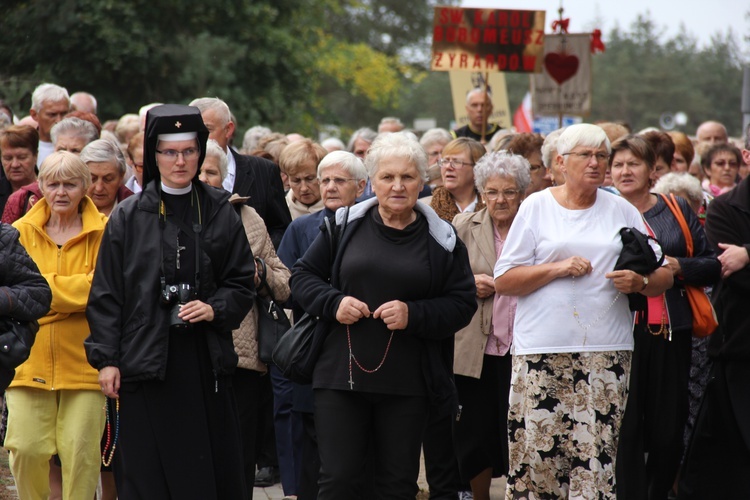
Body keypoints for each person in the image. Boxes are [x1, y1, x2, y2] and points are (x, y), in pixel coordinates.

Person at [290, 131, 476, 498]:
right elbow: (301, 277)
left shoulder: (442, 238)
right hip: (339, 377)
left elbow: (462, 302)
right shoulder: (342, 225)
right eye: (387, 177)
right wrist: (333, 303)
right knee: (339, 480)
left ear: (422, 181)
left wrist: (415, 313)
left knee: (396, 484)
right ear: (370, 182)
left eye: (407, 177)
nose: (397, 186)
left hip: (409, 383)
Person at [84, 104, 255, 498]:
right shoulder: (128, 216)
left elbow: (242, 281)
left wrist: (215, 307)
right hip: (144, 362)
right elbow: (107, 294)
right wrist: (107, 359)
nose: (180, 161)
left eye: (189, 151)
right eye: (169, 152)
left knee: (206, 471)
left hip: (203, 360)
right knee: (146, 476)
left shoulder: (218, 210)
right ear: (153, 154)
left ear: (201, 152)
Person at [494, 124, 673, 498]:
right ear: (560, 162)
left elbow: (663, 273)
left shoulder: (620, 209)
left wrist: (640, 283)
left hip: (606, 352)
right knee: (538, 462)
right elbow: (505, 280)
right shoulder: (536, 206)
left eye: (601, 156)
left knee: (595, 460)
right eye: (585, 156)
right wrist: (557, 268)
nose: (596, 163)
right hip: (541, 350)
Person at [608, 135, 720, 500]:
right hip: (618, 334)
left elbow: (711, 266)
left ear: (652, 169)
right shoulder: (601, 211)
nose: (625, 171)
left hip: (671, 331)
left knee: (668, 429)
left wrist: (678, 266)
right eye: (619, 164)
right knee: (624, 427)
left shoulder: (675, 209)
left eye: (634, 164)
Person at [5, 151, 107, 500]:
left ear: (85, 187)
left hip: (86, 362)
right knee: (26, 449)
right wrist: (71, 297)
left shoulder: (105, 232)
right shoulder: (18, 233)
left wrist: (41, 298)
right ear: (40, 187)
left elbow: (100, 291)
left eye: (70, 183)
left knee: (81, 454)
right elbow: (13, 293)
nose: (61, 192)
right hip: (26, 359)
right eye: (53, 183)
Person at [199, 138, 290, 497]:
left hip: (242, 360)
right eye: (199, 169)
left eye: (212, 171)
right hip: (186, 354)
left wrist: (259, 271)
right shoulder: (158, 215)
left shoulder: (247, 216)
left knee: (238, 460)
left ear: (224, 178)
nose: (204, 177)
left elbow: (284, 284)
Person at [278, 150, 367, 499]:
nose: (329, 187)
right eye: (324, 180)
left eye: (338, 181)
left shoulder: (374, 224)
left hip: (364, 350)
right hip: (315, 348)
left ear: (360, 187)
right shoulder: (302, 229)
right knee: (315, 453)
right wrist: (328, 298)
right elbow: (286, 290)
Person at [452, 151, 530, 500]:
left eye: (509, 192)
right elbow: (444, 280)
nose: (500, 200)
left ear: (522, 193)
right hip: (475, 348)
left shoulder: (535, 227)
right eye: (492, 191)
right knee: (474, 432)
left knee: (520, 429)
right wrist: (471, 283)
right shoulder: (462, 227)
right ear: (481, 192)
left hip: (524, 345)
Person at [677, 155, 750, 499]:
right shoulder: (724, 208)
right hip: (739, 348)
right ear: (747, 156)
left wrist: (748, 252)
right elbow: (733, 276)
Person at [190, 97, 291, 248]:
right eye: (192, 131)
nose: (198, 137)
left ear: (228, 129)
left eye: (206, 130)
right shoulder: (179, 174)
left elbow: (281, 229)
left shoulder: (263, 171)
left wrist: (258, 258)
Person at [2, 117, 99, 224]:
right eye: (61, 150)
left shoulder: (102, 192)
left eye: (75, 150)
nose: (67, 155)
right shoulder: (23, 197)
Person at [425, 137, 486, 221]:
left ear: (476, 169)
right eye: (445, 161)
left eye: (456, 162)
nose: (448, 167)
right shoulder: (426, 209)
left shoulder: (491, 208)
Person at [80, 139, 133, 216]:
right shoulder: (69, 210)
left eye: (108, 179)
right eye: (92, 179)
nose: (99, 188)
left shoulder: (135, 211)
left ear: (121, 177)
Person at [280, 139, 327, 219]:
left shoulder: (339, 208)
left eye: (309, 179)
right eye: (296, 181)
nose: (304, 188)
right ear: (288, 179)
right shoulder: (280, 211)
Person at [0, 125, 39, 214]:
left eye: (22, 157)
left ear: (35, 156)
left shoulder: (50, 191)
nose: (15, 165)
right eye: (8, 158)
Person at [28, 83, 70, 166]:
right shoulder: (24, 146)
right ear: (34, 114)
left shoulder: (80, 145)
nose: (59, 120)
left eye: (64, 114)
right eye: (52, 114)